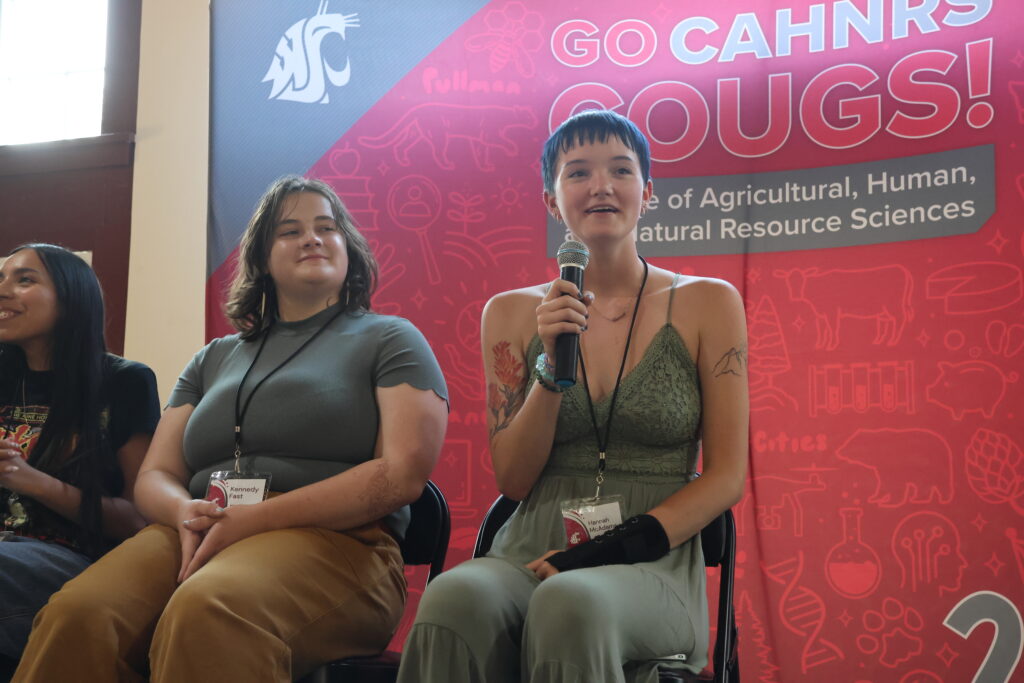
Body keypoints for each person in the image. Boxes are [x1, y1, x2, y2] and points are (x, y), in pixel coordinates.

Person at [14, 176, 449, 682]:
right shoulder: (214, 357)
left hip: (340, 545)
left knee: (210, 608)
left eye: (326, 227)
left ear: (347, 248)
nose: (312, 238)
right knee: (80, 612)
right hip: (197, 532)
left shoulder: (390, 339)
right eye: (290, 231)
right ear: (262, 259)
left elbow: (401, 475)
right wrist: (184, 511)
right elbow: (154, 475)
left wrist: (250, 521)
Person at [398, 109, 749, 682]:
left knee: (571, 602)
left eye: (621, 170)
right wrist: (548, 369)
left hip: (650, 563)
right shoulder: (511, 312)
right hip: (529, 547)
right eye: (578, 172)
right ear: (552, 200)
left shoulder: (709, 302)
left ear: (647, 191)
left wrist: (591, 556)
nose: (602, 186)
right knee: (452, 601)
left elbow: (727, 476)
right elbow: (513, 478)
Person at [0, 244, 159, 661]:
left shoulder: (124, 382)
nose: (3, 290)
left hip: (73, 559)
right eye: (0, 278)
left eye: (24, 279)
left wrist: (31, 480)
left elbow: (139, 519)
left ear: (71, 298)